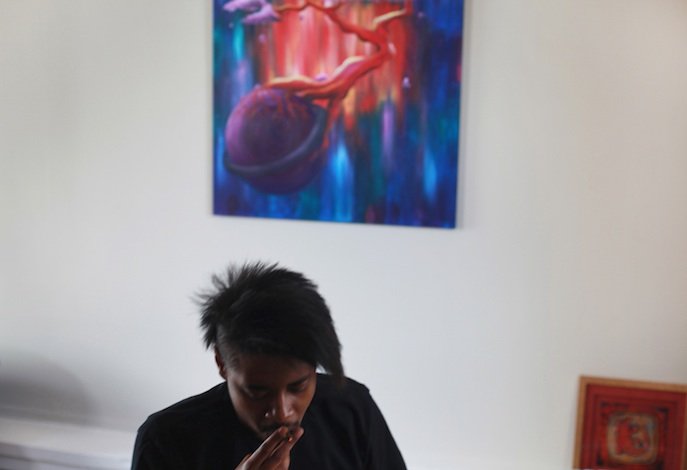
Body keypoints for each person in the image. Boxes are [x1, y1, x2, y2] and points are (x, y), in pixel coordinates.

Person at [131, 262, 406, 469]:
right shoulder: (166, 440)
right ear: (222, 363)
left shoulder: (351, 409)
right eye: (258, 391)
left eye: (298, 387)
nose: (282, 412)